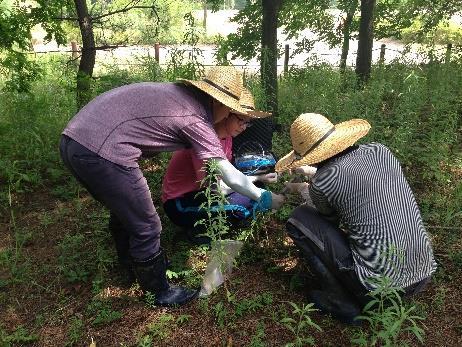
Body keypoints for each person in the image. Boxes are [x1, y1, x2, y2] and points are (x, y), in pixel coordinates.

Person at [59, 66, 285, 307]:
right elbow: (226, 176)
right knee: (147, 224)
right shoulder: (196, 118)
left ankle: (130, 265)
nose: (231, 116)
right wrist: (264, 196)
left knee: (125, 210)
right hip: (102, 150)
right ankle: (158, 291)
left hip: (74, 140)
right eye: (231, 111)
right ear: (219, 104)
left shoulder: (181, 98)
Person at [276, 113, 437, 324]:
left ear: (309, 156)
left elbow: (327, 221)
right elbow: (350, 174)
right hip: (422, 274)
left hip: (379, 290)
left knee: (299, 218)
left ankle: (340, 302)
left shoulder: (323, 182)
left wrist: (302, 188)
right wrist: (309, 174)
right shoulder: (379, 150)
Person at [162, 88, 277, 244]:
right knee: (244, 205)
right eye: (240, 120)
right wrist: (255, 190)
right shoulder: (202, 140)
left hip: (203, 193)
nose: (243, 127)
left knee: (254, 191)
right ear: (225, 114)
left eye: (247, 123)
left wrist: (259, 177)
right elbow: (215, 188)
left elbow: (226, 177)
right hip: (181, 202)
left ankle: (210, 222)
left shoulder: (227, 138)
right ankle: (197, 231)